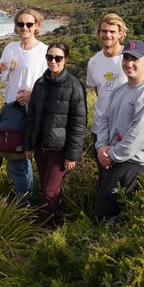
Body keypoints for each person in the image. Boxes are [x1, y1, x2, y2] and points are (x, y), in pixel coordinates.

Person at [94, 40, 144, 222]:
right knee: (102, 215)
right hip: (113, 160)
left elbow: (138, 135)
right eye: (125, 58)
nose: (129, 63)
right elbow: (104, 120)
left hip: (133, 165)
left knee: (111, 218)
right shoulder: (119, 91)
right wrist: (101, 146)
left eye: (135, 59)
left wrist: (112, 154)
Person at [23, 43, 87, 226]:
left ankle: (46, 227)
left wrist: (72, 155)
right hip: (40, 146)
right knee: (46, 188)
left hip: (60, 149)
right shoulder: (40, 83)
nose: (53, 61)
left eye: (58, 58)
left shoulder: (74, 86)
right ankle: (55, 222)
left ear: (65, 60)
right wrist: (28, 144)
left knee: (51, 190)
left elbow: (79, 123)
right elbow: (32, 116)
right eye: (50, 57)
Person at [0, 8, 48, 206]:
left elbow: (51, 84)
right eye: (21, 24)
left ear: (37, 26)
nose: (25, 28)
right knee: (16, 157)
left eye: (29, 24)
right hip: (11, 109)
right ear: (16, 26)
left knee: (21, 159)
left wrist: (33, 95)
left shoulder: (44, 51)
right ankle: (26, 200)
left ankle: (25, 204)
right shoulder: (11, 48)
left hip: (30, 111)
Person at [86, 13, 128, 185]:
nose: (107, 35)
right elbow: (98, 91)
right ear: (98, 33)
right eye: (104, 31)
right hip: (101, 128)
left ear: (120, 34)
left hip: (124, 127)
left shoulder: (131, 58)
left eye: (112, 31)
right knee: (104, 174)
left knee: (123, 175)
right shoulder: (94, 62)